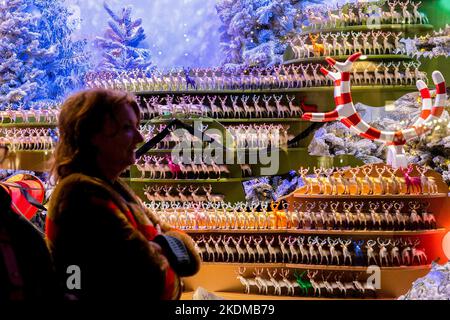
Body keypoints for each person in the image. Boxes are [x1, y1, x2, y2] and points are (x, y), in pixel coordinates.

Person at [45, 88, 201, 300]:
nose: (140, 137)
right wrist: (161, 242)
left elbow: (187, 258)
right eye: (127, 128)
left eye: (137, 127)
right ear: (93, 135)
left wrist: (160, 245)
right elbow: (148, 278)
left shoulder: (114, 188)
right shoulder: (80, 193)